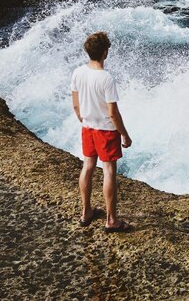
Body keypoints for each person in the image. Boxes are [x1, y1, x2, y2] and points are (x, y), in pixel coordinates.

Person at [70, 31, 132, 232]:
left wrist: (84, 119)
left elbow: (76, 106)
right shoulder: (106, 78)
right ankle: (111, 220)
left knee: (87, 166)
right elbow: (113, 113)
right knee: (108, 171)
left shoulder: (78, 72)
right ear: (105, 52)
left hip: (87, 127)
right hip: (106, 130)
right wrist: (124, 134)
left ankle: (86, 211)